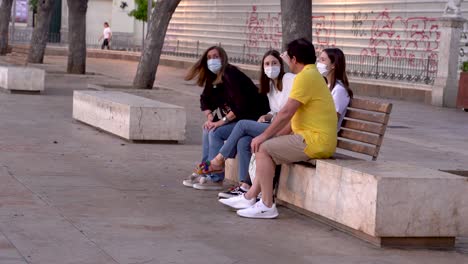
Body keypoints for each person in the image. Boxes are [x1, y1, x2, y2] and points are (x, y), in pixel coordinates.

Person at [220, 38, 338, 219]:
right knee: (265, 145)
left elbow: (286, 113)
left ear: (294, 59)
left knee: (264, 148)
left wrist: (265, 136)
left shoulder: (305, 77)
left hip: (315, 141)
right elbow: (294, 117)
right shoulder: (311, 75)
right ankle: (250, 196)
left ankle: (267, 204)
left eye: (288, 59)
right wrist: (271, 137)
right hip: (311, 137)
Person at [204, 50, 295, 199]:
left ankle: (219, 160)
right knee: (244, 141)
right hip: (273, 124)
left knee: (242, 125)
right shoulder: (270, 86)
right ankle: (245, 186)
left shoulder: (289, 79)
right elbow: (275, 110)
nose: (270, 67)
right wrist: (266, 116)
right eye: (267, 64)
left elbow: (290, 108)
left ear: (281, 65)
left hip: (286, 128)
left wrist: (289, 63)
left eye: (274, 63)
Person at [182, 46, 269, 190]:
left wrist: (220, 122)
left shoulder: (230, 74)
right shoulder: (214, 77)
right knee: (208, 129)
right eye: (209, 58)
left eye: (215, 57)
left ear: (223, 58)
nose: (212, 60)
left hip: (252, 118)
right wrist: (210, 118)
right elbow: (205, 99)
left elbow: (240, 106)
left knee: (216, 132)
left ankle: (215, 178)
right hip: (239, 119)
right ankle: (206, 171)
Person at [316, 48, 353, 129]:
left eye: (323, 60)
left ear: (334, 65)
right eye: (318, 59)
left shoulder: (339, 90)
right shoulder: (324, 85)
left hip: (322, 135)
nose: (318, 63)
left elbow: (332, 120)